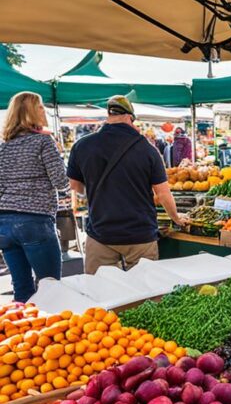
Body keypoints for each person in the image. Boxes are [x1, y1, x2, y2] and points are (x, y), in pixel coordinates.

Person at [66, 95, 186, 275]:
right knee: (144, 293)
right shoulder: (147, 149)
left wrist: (96, 192)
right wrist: (176, 218)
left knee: (101, 292)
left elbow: (75, 186)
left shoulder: (82, 146)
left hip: (101, 234)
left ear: (109, 115)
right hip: (140, 235)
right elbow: (162, 194)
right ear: (130, 117)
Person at [0, 92, 69, 301]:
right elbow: (61, 182)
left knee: (21, 289)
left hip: (4, 223)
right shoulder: (43, 142)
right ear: (31, 112)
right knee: (51, 288)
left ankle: (21, 330)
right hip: (35, 221)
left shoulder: (3, 147)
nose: (44, 111)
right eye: (40, 107)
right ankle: (51, 331)